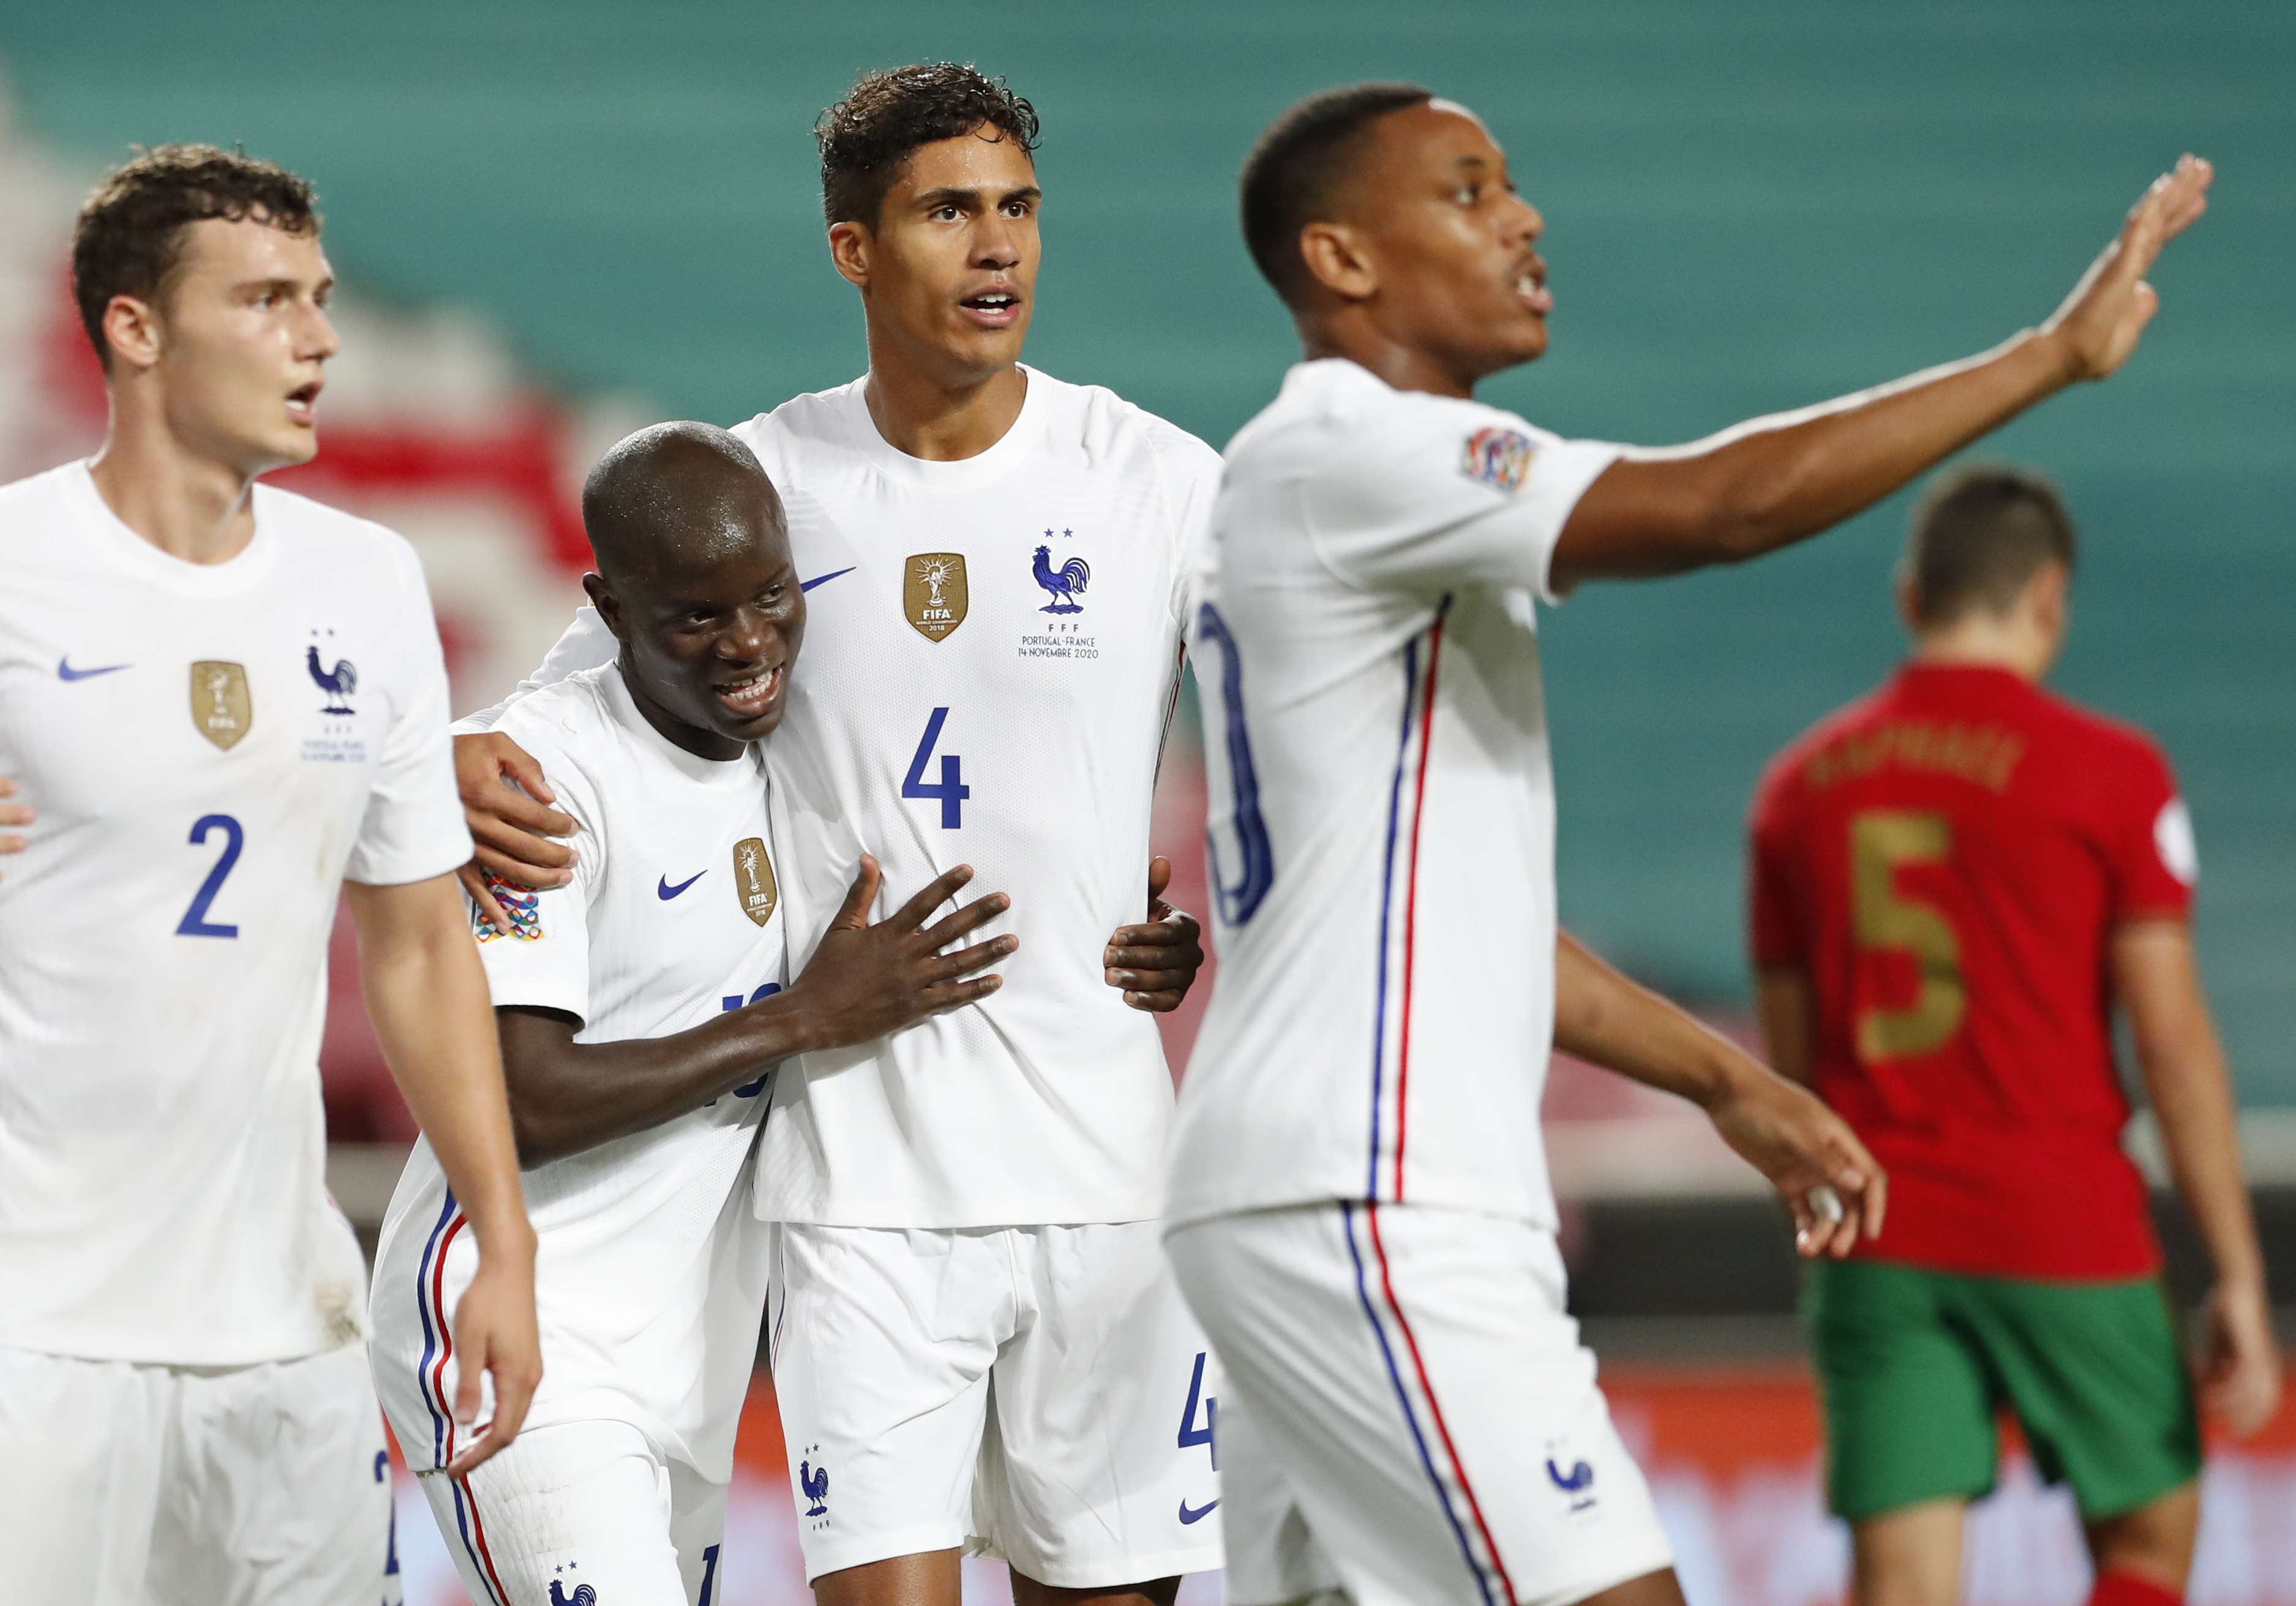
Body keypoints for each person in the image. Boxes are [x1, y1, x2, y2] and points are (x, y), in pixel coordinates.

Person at [1160, 82, 2213, 1606]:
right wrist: (2047, 358)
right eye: (1467, 190)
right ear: (1342, 259)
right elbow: (1724, 506)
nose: (1522, 218)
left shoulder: (1334, 499)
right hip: (1372, 1195)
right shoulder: (1353, 453)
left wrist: (1728, 1081)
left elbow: (1465, 925)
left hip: (1306, 1189)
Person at [453, 66, 1217, 1606]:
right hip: (856, 1182)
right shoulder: (763, 485)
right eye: (948, 211)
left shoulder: (1156, 481)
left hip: (1107, 1169)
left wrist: (1190, 919)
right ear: (853, 249)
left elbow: (1300, 750)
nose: (997, 245)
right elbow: (541, 727)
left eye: (1018, 208)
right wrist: (443, 759)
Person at [0, 144, 539, 1603]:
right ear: (134, 328)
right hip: (33, 1329)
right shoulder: (12, 566)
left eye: (322, 297)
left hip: (288, 1330)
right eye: (265, 301)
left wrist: (501, 1240)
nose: (319, 339)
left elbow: (418, 941)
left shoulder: (366, 581)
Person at [371, 421, 1018, 1606]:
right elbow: (519, 1101)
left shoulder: (792, 756)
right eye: (695, 618)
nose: (749, 645)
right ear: (609, 611)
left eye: (771, 597)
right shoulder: (539, 784)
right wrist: (799, 1020)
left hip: (694, 1367)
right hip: (527, 1341)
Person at [1747, 465, 2281, 1606]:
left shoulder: (1794, 791)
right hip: (2059, 1218)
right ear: (2048, 595)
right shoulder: (2111, 773)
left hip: (1879, 1232)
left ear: (1910, 599)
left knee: (1900, 1585)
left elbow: (1790, 1072)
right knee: (2149, 1535)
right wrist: (2236, 1271)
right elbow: (2171, 1041)